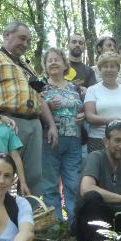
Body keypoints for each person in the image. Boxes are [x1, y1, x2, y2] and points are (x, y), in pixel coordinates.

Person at [0, 21, 58, 196]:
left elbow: (38, 97)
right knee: (1, 172)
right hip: (7, 122)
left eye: (28, 40)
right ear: (6, 35)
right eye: (22, 38)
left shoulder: (26, 65)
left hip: (33, 124)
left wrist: (51, 125)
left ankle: (30, 218)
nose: (25, 44)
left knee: (33, 175)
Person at [39, 48, 85, 222]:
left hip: (74, 139)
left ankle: (74, 221)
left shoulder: (76, 88)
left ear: (65, 64)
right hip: (50, 140)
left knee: (73, 182)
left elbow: (83, 110)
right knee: (50, 183)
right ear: (45, 66)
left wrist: (84, 116)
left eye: (57, 59)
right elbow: (35, 112)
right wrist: (47, 108)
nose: (53, 63)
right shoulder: (41, 87)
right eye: (49, 60)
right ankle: (56, 223)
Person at [84, 52, 121, 152]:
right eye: (105, 66)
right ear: (100, 69)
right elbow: (89, 116)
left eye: (112, 66)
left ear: (118, 69)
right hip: (99, 140)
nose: (109, 70)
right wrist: (111, 121)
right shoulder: (92, 90)